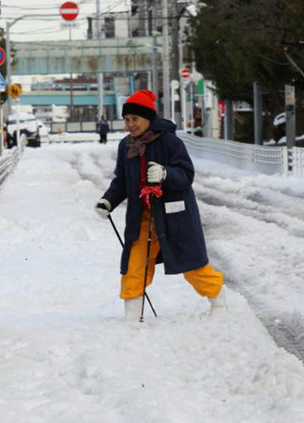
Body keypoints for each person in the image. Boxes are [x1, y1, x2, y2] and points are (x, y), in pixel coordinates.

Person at [94, 90, 226, 319]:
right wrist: (108, 201)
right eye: (127, 119)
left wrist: (166, 173)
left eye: (135, 119)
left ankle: (219, 305)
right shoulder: (126, 147)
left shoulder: (170, 141)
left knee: (192, 264)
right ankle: (132, 319)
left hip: (174, 217)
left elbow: (186, 175)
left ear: (148, 118)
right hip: (141, 216)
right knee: (134, 265)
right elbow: (122, 181)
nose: (130, 124)